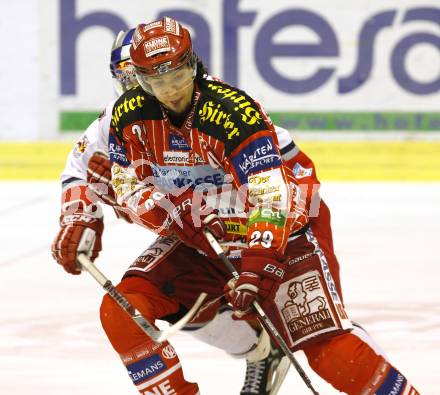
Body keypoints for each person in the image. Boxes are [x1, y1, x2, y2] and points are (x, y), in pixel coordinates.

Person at [98, 16, 421, 395]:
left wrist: (257, 265)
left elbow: (271, 194)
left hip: (285, 230)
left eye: (177, 76)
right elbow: (126, 183)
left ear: (194, 64)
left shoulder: (232, 112)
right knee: (122, 310)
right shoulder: (128, 116)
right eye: (155, 80)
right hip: (203, 238)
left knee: (328, 352)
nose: (169, 91)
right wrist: (173, 216)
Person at [51, 28, 289, 395]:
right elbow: (82, 169)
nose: (155, 89)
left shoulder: (217, 105)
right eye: (131, 79)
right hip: (190, 231)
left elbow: (276, 180)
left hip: (256, 222)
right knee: (174, 305)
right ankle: (260, 349)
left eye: (143, 78)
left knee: (314, 331)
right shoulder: (121, 118)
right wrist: (79, 215)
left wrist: (252, 237)